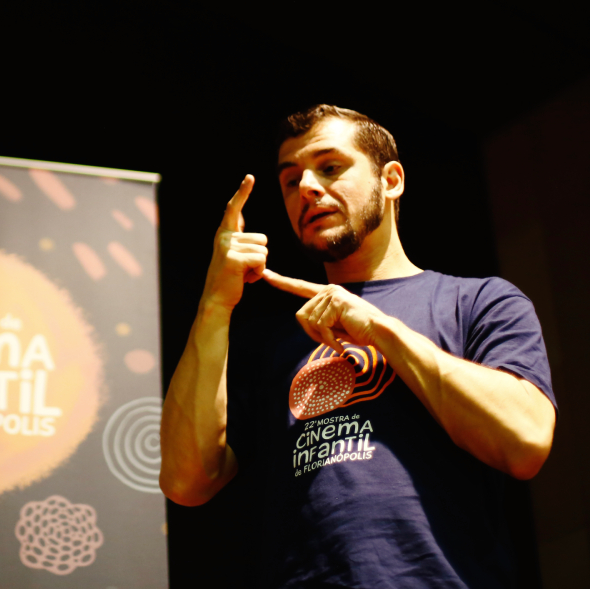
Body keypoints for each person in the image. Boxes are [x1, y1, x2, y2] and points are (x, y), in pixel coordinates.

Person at [159, 104, 556, 588]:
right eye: (290, 180)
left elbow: (526, 441)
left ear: (391, 181)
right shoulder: (273, 345)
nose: (306, 187)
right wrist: (214, 305)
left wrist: (380, 329)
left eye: (329, 167)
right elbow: (185, 483)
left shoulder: (477, 302)